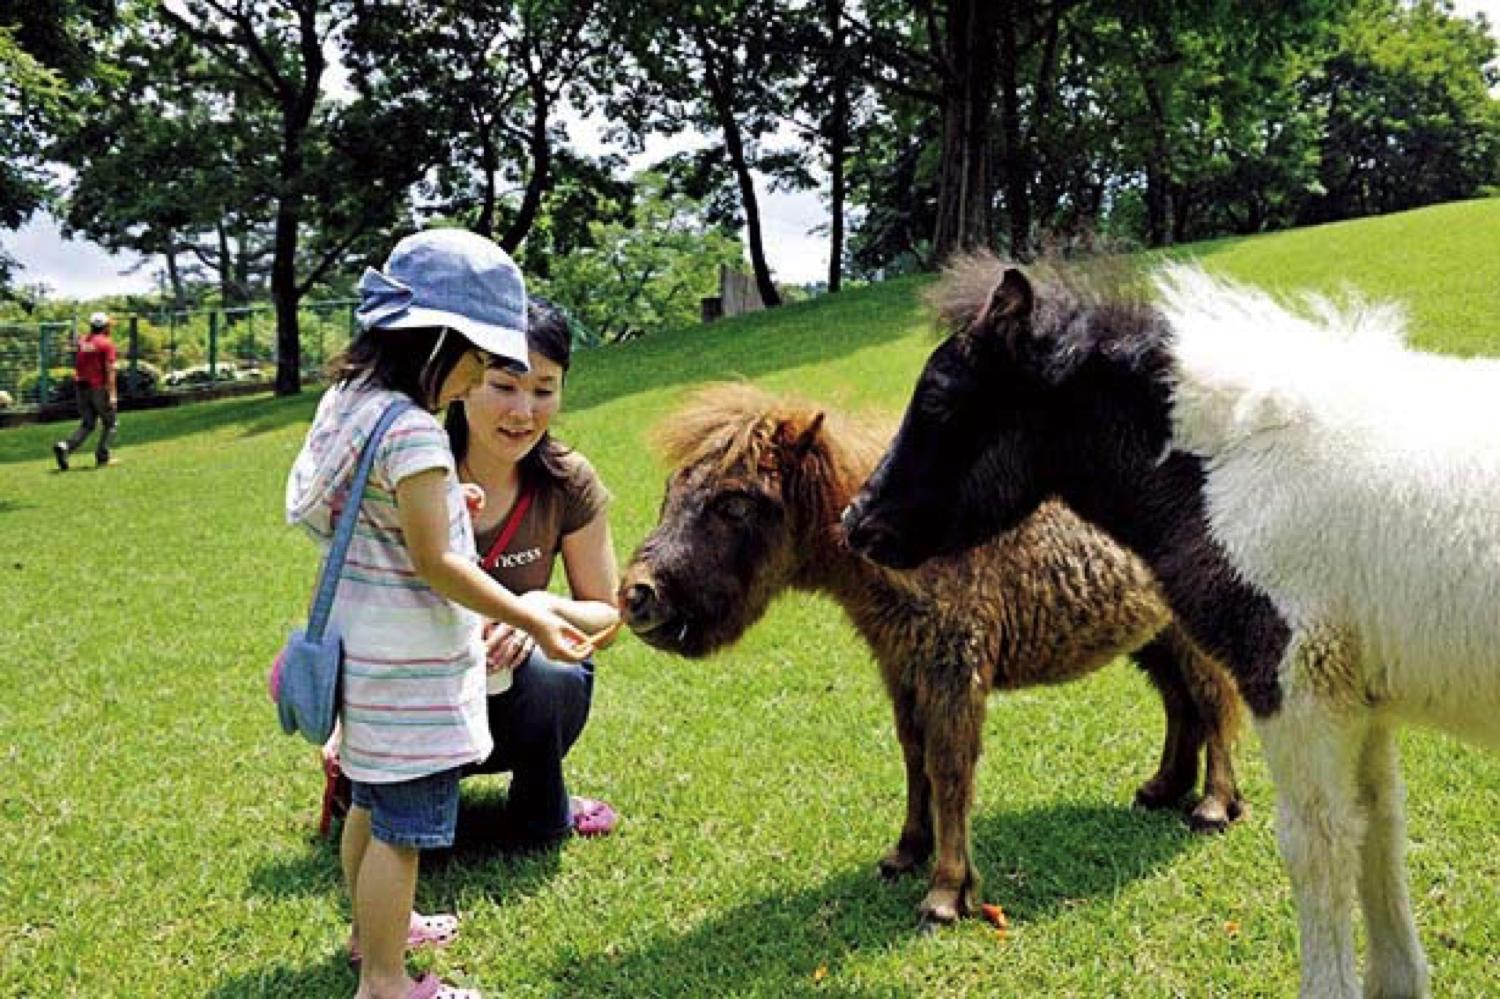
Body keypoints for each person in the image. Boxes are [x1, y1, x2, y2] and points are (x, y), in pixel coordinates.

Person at [286, 228, 592, 999]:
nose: (478, 380)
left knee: (371, 798)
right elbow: (438, 564)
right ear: (440, 343)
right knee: (405, 830)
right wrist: (527, 616)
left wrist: (444, 503)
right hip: (411, 669)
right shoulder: (417, 431)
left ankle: (370, 934)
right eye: (480, 361)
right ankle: (388, 982)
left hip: (366, 656)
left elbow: (362, 509)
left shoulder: (354, 406)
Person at [449, 298, 622, 846]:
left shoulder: (568, 480)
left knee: (558, 672)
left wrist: (540, 609)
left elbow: (607, 616)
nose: (524, 411)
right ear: (463, 380)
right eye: (504, 385)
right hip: (418, 692)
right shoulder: (413, 468)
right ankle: (380, 793)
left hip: (517, 694)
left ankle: (541, 805)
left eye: (544, 389)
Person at [53, 311, 119, 470]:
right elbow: (110, 370)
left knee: (88, 424)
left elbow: (72, 348)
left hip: (81, 388)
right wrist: (112, 394)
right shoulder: (106, 344)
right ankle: (103, 457)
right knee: (111, 423)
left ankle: (65, 446)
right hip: (98, 388)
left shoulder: (83, 342)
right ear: (105, 327)